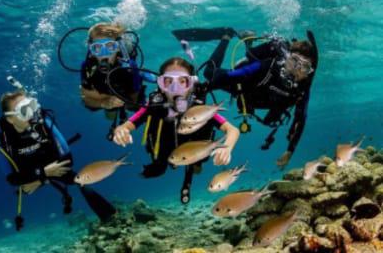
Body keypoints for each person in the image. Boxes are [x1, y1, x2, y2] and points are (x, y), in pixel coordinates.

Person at [172, 28, 318, 169]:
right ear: (286, 58)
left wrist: (290, 150)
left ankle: (248, 43)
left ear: (309, 72)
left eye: (304, 67)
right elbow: (232, 76)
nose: (296, 70)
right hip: (244, 87)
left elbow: (301, 118)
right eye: (294, 62)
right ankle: (226, 36)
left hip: (257, 101)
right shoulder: (268, 66)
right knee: (209, 73)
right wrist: (206, 87)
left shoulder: (302, 88)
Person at [112, 57, 240, 204]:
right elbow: (127, 125)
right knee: (158, 168)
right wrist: (121, 130)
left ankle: (193, 167)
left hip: (196, 151)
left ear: (191, 84)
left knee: (196, 167)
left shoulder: (200, 109)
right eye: (168, 81)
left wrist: (227, 148)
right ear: (160, 84)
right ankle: (163, 165)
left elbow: (232, 130)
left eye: (182, 81)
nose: (175, 88)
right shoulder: (153, 105)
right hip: (162, 151)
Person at [0, 91, 116, 230]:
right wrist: (42, 174)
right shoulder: (2, 140)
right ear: (10, 119)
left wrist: (42, 178)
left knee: (81, 181)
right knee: (21, 189)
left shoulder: (44, 123)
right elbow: (11, 179)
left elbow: (68, 160)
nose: (31, 113)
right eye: (24, 110)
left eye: (32, 105)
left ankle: (109, 215)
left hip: (54, 167)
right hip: (30, 173)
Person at [80, 22, 154, 140]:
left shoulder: (129, 67)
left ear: (118, 47)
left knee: (133, 107)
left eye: (110, 47)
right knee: (106, 113)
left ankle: (142, 75)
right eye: (97, 48)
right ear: (91, 50)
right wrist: (104, 103)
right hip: (108, 95)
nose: (105, 53)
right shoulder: (88, 67)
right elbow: (85, 96)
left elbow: (134, 98)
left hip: (129, 93)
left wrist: (121, 101)